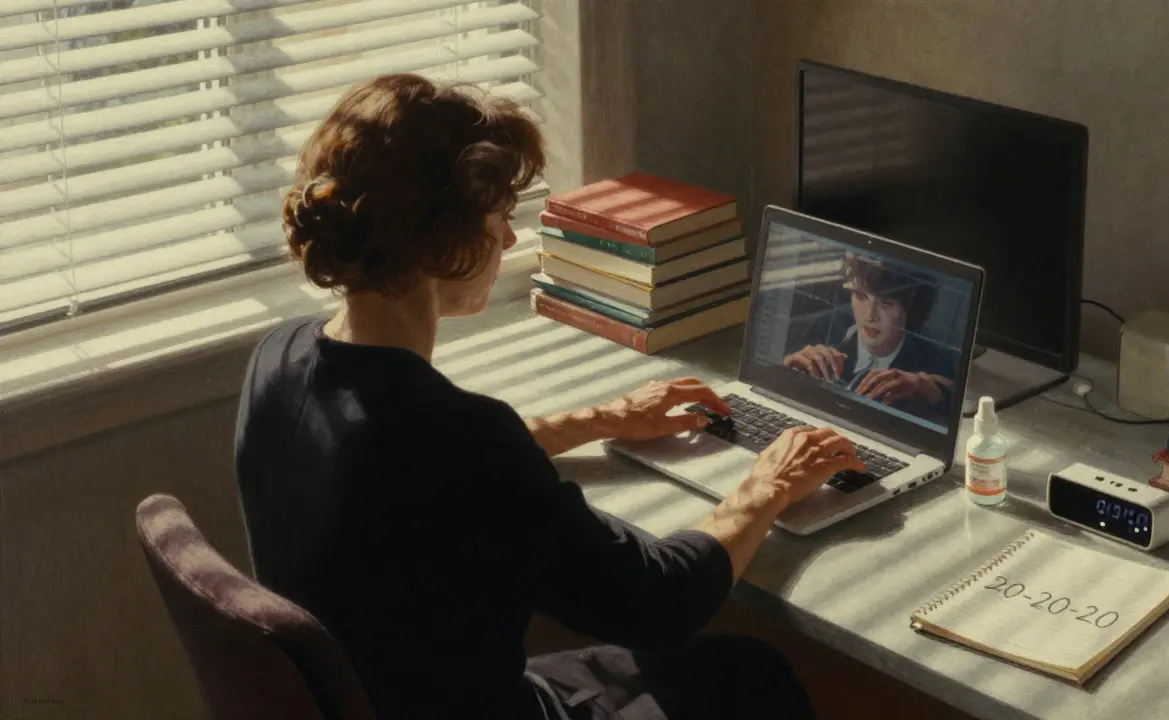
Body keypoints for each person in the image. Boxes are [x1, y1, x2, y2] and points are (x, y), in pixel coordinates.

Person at [233, 74, 867, 720]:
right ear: (442, 239)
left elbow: (417, 470)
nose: (510, 240)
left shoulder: (278, 363)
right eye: (501, 216)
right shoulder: (462, 441)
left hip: (397, 694)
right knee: (754, 676)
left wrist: (602, 419)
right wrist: (768, 485)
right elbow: (657, 600)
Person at [782, 252, 958, 422]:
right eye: (860, 296)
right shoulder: (817, 331)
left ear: (911, 310)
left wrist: (923, 387)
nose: (870, 316)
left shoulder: (936, 358)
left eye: (886, 304)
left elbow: (954, 406)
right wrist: (789, 370)